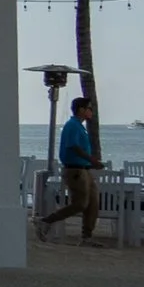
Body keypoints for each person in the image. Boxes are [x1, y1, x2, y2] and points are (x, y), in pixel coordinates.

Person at [37, 97, 100, 244]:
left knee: (93, 203)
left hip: (84, 169)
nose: (91, 111)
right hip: (75, 171)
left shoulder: (79, 126)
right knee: (80, 203)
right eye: (89, 108)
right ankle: (46, 221)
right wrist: (92, 160)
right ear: (81, 110)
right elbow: (73, 146)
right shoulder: (72, 125)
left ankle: (87, 236)